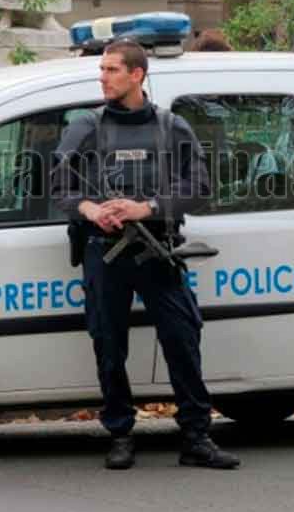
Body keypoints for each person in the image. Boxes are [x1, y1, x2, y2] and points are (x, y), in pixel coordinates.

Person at [50, 40, 239, 471]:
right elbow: (59, 186)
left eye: (112, 70)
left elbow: (199, 188)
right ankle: (120, 434)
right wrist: (91, 210)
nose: (103, 77)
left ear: (137, 75)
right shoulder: (85, 127)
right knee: (108, 344)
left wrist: (146, 208)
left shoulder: (171, 127)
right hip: (105, 253)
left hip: (157, 250)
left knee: (183, 339)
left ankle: (196, 437)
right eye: (102, 69)